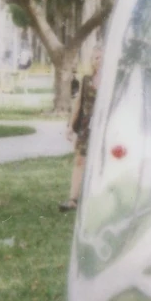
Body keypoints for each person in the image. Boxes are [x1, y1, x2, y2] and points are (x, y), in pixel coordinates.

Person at [60, 51, 101, 213]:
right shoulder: (86, 80)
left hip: (104, 128)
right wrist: (71, 126)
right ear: (92, 60)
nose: (99, 60)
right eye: (96, 57)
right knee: (80, 160)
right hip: (87, 127)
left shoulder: (113, 80)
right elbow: (78, 104)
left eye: (102, 57)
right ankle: (73, 199)